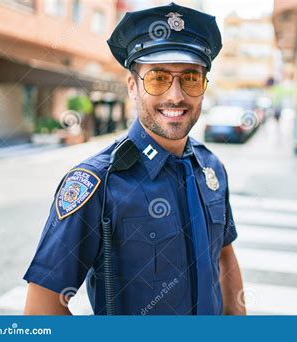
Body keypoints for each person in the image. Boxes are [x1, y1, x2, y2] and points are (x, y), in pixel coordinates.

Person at [23, 2, 245, 316]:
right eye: (158, 78)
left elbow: (224, 256)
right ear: (132, 86)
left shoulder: (211, 168)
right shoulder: (97, 183)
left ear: (204, 88)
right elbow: (41, 309)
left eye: (191, 78)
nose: (176, 96)